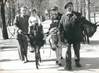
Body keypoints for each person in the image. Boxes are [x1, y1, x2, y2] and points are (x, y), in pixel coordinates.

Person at [59, 2, 82, 68]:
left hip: (75, 36)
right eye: (68, 6)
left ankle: (77, 62)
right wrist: (60, 34)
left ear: (72, 7)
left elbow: (81, 23)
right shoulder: (63, 17)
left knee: (76, 50)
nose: (70, 7)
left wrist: (77, 16)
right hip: (67, 36)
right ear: (66, 8)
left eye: (71, 6)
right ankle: (68, 64)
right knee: (68, 50)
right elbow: (60, 26)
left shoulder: (77, 15)